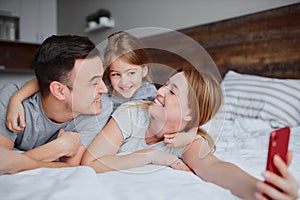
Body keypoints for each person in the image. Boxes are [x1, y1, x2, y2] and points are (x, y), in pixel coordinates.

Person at [81, 66, 299, 199]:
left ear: (190, 115)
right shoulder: (132, 113)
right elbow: (90, 163)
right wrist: (151, 156)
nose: (159, 90)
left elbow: (215, 168)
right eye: (166, 85)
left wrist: (259, 190)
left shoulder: (189, 142)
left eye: (172, 91)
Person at [6, 31, 196, 148]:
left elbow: (179, 118)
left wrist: (190, 134)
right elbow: (47, 80)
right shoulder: (102, 89)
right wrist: (16, 99)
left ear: (144, 70)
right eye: (116, 74)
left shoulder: (149, 95)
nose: (124, 82)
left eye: (131, 73)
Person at [0, 35, 112, 174]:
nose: (104, 89)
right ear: (59, 91)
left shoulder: (99, 107)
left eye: (102, 78)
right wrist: (58, 148)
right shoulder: (13, 101)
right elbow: (2, 162)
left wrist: (20, 162)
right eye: (94, 83)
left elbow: (71, 167)